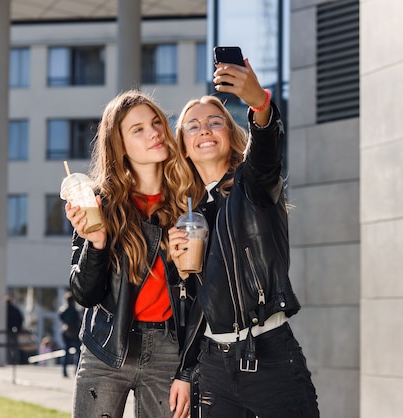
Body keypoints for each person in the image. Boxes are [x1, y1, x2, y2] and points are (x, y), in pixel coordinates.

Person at [168, 58, 320, 417]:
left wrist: (260, 104)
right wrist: (181, 273)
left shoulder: (252, 185)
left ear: (231, 134)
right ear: (185, 148)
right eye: (192, 126)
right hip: (213, 368)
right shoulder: (192, 216)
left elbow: (266, 151)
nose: (204, 129)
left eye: (214, 122)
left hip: (269, 357)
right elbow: (198, 308)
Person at [65, 90, 197, 418]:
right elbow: (85, 293)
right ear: (119, 145)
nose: (154, 132)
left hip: (169, 350)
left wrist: (188, 371)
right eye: (137, 129)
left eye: (156, 122)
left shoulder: (188, 202)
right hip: (107, 347)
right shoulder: (98, 204)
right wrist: (96, 242)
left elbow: (201, 295)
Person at [58, 291, 81, 376]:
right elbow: (78, 321)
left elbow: (61, 318)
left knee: (66, 352)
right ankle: (76, 370)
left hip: (65, 332)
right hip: (74, 332)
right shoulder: (74, 310)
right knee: (78, 353)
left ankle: (64, 370)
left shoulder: (63, 310)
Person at [5, 295, 24, 364]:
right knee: (14, 346)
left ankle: (9, 360)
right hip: (14, 330)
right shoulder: (15, 309)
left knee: (7, 346)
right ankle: (15, 360)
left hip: (7, 330)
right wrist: (18, 328)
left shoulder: (5, 311)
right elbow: (20, 319)